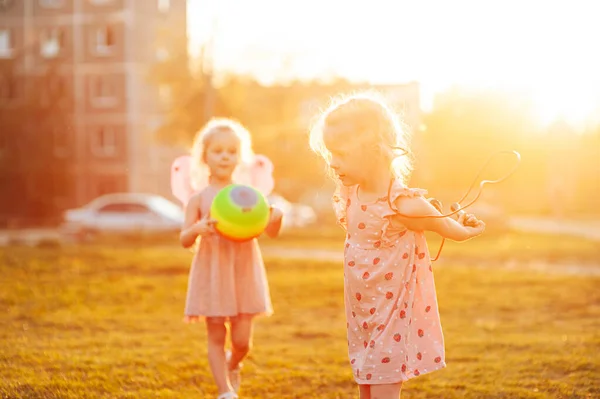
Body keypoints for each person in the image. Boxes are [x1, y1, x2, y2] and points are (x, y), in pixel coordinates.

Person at [309, 92, 485, 399]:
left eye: (341, 154)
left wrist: (468, 229)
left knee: (382, 388)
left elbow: (449, 228)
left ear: (375, 150)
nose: (333, 163)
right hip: (362, 316)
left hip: (391, 317)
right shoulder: (351, 192)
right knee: (366, 387)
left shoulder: (404, 204)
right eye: (330, 154)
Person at [179, 118, 283, 399]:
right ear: (205, 157)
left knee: (242, 342)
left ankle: (232, 363)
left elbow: (269, 232)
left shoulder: (249, 197)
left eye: (231, 151)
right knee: (215, 334)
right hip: (213, 269)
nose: (225, 156)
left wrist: (276, 218)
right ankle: (225, 391)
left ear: (240, 157)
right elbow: (184, 239)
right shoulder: (198, 199)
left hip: (243, 269)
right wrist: (197, 229)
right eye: (218, 150)